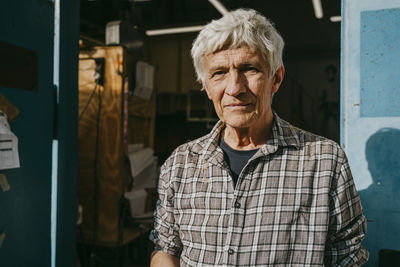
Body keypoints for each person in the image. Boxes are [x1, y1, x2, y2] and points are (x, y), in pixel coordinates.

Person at [150, 9, 368, 266]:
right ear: (205, 85)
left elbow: (348, 259)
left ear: (276, 79)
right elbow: (166, 248)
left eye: (249, 69)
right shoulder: (180, 164)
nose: (234, 88)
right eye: (219, 73)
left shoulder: (325, 163)